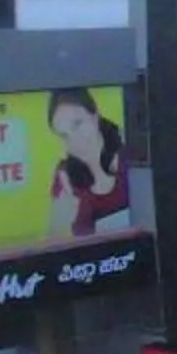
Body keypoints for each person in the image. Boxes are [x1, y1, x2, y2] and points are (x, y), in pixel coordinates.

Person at [42, 88, 132, 240]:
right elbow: (50, 244)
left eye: (77, 124)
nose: (74, 141)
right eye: (64, 135)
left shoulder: (130, 154)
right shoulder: (65, 176)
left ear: (95, 116)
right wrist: (59, 224)